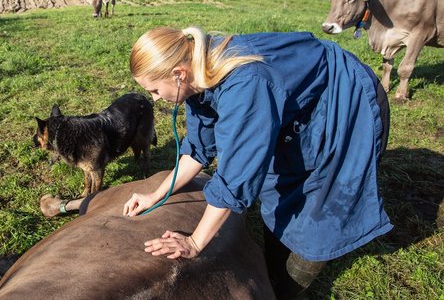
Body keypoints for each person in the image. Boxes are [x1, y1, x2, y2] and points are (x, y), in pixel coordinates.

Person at [122, 26, 393, 299]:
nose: (156, 98)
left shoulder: (244, 85)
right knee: (279, 189)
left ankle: (287, 289)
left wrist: (195, 242)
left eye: (155, 89)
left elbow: (236, 177)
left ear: (178, 74)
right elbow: (198, 150)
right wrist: (155, 195)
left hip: (344, 100)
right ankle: (275, 268)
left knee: (321, 210)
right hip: (294, 104)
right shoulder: (197, 73)